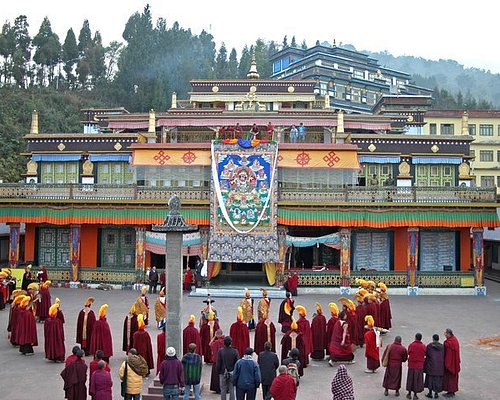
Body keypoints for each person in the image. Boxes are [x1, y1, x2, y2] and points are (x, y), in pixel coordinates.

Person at [217, 336, 239, 400]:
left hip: (223, 372)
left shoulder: (221, 351)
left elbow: (218, 363)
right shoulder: (235, 351)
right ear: (231, 343)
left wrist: (219, 371)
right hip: (232, 372)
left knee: (223, 389)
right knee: (232, 389)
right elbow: (237, 363)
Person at [407, 332, 427, 399]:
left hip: (412, 365)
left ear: (415, 338)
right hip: (419, 366)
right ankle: (415, 395)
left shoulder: (412, 345)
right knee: (417, 380)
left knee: (410, 379)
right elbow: (425, 354)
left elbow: (408, 352)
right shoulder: (423, 346)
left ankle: (409, 394)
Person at [424, 334, 444, 399]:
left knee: (430, 379)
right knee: (437, 380)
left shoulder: (429, 346)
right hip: (439, 366)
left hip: (431, 366)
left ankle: (430, 393)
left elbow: (426, 354)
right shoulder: (442, 347)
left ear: (433, 339)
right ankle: (436, 394)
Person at [442, 328, 460, 398]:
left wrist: (446, 364)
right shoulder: (455, 340)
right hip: (455, 362)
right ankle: (452, 391)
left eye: (446, 333)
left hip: (450, 363)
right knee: (453, 377)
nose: (445, 334)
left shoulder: (448, 343)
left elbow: (447, 355)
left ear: (449, 334)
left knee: (449, 377)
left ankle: (450, 391)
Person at [209, 329, 225, 394]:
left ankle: (217, 389)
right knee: (223, 375)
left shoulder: (216, 342)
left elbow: (210, 344)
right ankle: (224, 389)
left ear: (217, 334)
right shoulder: (224, 341)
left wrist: (214, 337)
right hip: (224, 361)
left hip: (216, 361)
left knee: (216, 376)